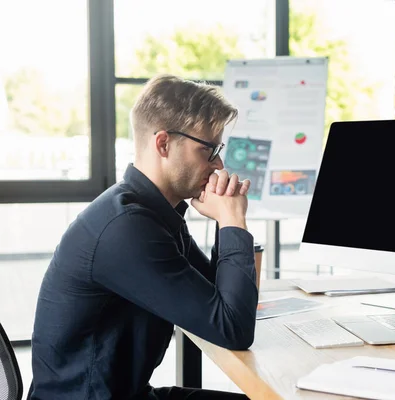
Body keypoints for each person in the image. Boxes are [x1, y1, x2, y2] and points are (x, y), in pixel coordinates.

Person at [28, 74, 258, 399]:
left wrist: (226, 221)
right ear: (163, 143)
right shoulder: (127, 228)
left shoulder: (153, 215)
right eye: (208, 150)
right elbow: (231, 327)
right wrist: (232, 218)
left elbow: (214, 297)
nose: (219, 163)